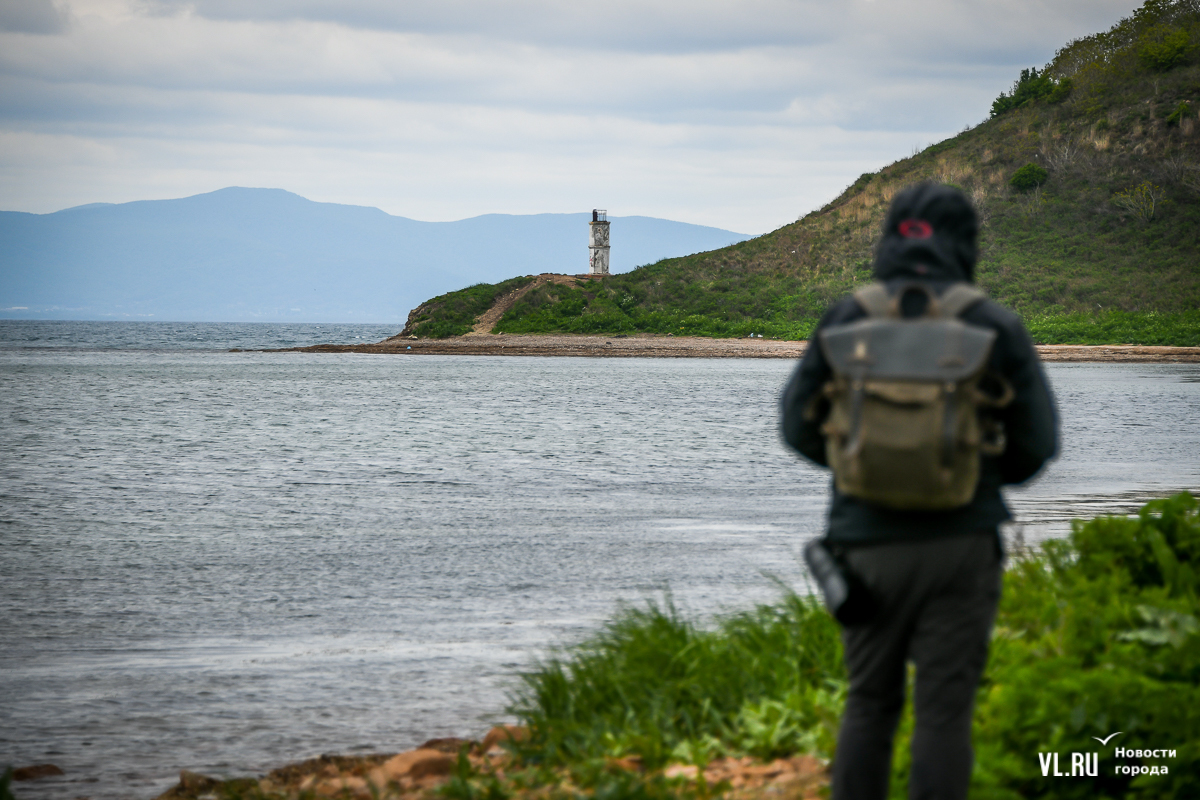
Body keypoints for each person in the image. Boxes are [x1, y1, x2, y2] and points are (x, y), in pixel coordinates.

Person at [780, 182, 1058, 800]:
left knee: (869, 703)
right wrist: (973, 476)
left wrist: (860, 467)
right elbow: (1037, 445)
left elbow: (794, 428)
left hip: (863, 544)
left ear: (890, 236)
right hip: (962, 543)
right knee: (942, 713)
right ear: (966, 243)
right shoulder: (993, 324)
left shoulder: (847, 318)